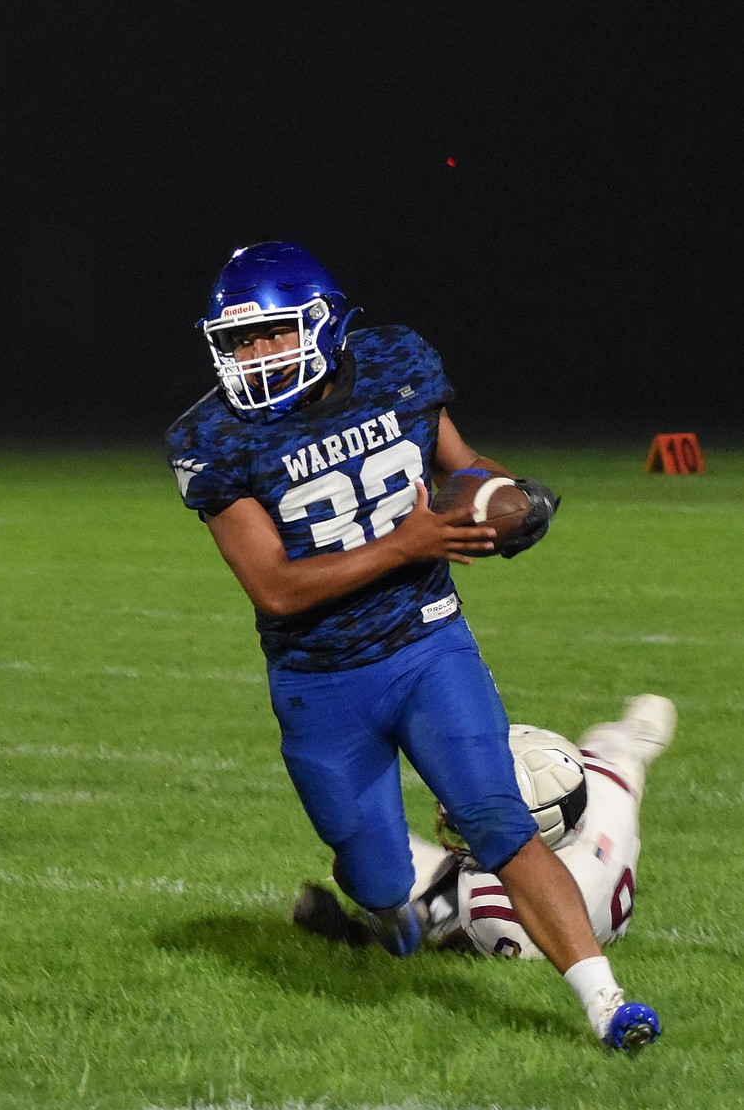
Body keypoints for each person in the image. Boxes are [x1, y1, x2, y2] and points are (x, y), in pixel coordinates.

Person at [165, 240, 660, 1051]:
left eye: (273, 333)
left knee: (497, 817)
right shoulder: (213, 437)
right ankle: (396, 916)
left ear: (324, 323)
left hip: (428, 641)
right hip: (322, 680)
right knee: (375, 872)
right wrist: (406, 542)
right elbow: (275, 587)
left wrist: (506, 499)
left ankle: (608, 1004)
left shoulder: (396, 363)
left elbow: (462, 467)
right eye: (239, 341)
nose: (255, 356)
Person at [293, 694, 676, 963]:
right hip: (590, 882)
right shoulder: (605, 787)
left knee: (369, 857)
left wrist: (357, 935)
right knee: (623, 742)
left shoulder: (493, 906)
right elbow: (633, 736)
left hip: (533, 907)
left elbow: (446, 946)